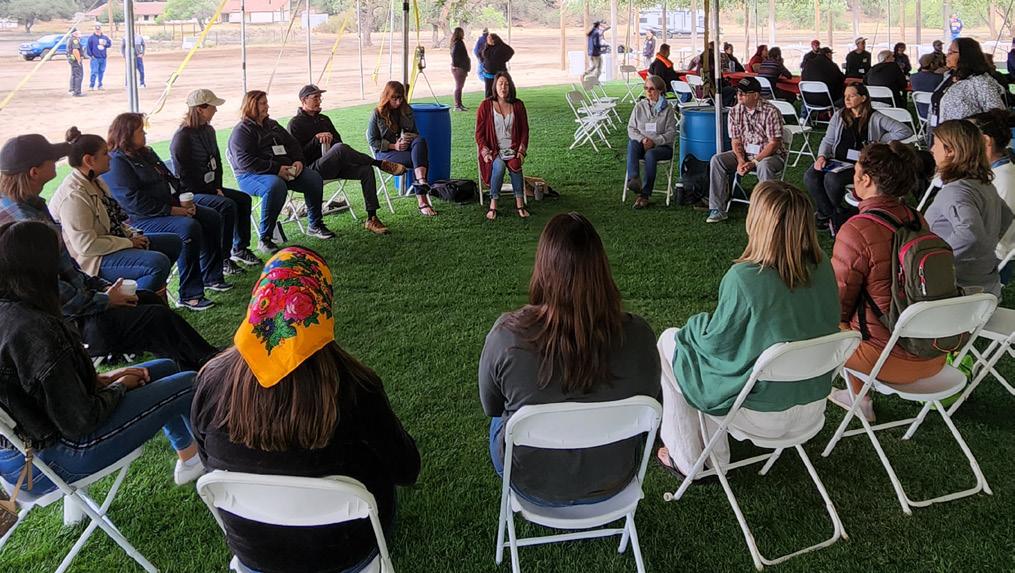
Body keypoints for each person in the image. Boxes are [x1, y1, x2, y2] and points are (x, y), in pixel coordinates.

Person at [194, 247, 420, 573]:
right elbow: (406, 470)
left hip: (256, 557)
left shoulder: (211, 380)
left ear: (258, 300)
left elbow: (207, 462)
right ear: (322, 307)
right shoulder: (356, 386)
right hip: (346, 554)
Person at [0, 220, 206, 494]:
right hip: (49, 462)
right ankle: (220, 465)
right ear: (40, 268)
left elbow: (42, 392)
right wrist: (119, 386)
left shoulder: (11, 311)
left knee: (166, 367)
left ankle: (191, 458)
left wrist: (101, 380)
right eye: (57, 257)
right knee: (188, 383)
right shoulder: (35, 329)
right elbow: (81, 420)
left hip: (19, 461)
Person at [656, 181, 838, 477]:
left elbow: (716, 347)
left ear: (758, 222)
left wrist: (695, 324)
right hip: (813, 404)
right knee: (706, 361)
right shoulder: (824, 268)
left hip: (762, 414)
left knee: (670, 343)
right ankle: (711, 455)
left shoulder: (745, 278)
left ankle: (689, 458)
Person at [479, 212, 660, 505]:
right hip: (614, 480)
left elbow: (492, 406)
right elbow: (652, 404)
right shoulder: (640, 335)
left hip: (531, 483)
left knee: (503, 419)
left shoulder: (507, 336)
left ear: (543, 268)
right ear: (601, 269)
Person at [0, 133, 219, 370]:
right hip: (71, 326)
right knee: (155, 315)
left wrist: (102, 288)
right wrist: (104, 300)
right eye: (51, 159)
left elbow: (67, 270)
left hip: (81, 304)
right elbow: (55, 292)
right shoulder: (25, 226)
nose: (57, 162)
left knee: (148, 299)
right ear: (34, 172)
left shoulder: (30, 207)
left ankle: (192, 364)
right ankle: (210, 363)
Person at [829, 142, 949, 422]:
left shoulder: (856, 229)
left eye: (856, 172)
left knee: (825, 320)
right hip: (934, 353)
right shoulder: (917, 219)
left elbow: (837, 302)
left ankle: (860, 399)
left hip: (886, 360)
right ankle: (859, 396)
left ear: (866, 180)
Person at [104, 112, 232, 311]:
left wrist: (184, 202)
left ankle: (212, 276)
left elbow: (170, 178)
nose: (145, 134)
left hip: (169, 207)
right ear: (126, 134)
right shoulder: (117, 162)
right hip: (141, 219)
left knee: (211, 216)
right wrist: (172, 210)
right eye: (140, 131)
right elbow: (133, 201)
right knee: (188, 227)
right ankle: (190, 294)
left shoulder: (146, 153)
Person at [51, 127, 181, 296]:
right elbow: (87, 246)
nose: (110, 157)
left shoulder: (95, 180)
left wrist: (132, 235)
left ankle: (146, 293)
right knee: (157, 263)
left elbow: (114, 220)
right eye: (105, 153)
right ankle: (131, 303)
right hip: (93, 260)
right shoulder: (74, 196)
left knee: (173, 243)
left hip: (113, 243)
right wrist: (129, 243)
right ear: (89, 160)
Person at [288, 84, 407, 235]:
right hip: (312, 170)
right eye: (315, 97)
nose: (319, 101)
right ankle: (379, 163)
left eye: (320, 97)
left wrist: (329, 140)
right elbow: (297, 156)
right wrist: (315, 141)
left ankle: (372, 218)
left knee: (365, 170)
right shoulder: (295, 124)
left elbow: (339, 142)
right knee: (340, 148)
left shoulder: (324, 119)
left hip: (334, 165)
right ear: (304, 100)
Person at [228, 90, 336, 253]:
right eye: (263, 103)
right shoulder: (242, 131)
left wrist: (298, 160)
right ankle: (265, 238)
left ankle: (315, 224)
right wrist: (276, 169)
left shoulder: (272, 124)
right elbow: (245, 161)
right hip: (252, 175)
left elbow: (293, 144)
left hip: (284, 170)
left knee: (313, 178)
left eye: (266, 102)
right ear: (252, 106)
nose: (267, 106)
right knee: (276, 186)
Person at [171, 89, 260, 277]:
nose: (216, 110)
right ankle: (223, 258)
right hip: (193, 193)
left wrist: (217, 187)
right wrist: (211, 190)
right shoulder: (182, 137)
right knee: (227, 206)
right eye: (212, 107)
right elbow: (184, 176)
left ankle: (240, 248)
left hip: (211, 187)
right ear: (200, 109)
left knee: (243, 199)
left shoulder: (208, 130)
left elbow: (217, 162)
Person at [805, 84, 912, 231]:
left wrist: (881, 139)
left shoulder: (875, 117)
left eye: (852, 95)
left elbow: (905, 130)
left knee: (832, 179)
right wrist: (821, 156)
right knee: (811, 176)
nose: (847, 99)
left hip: (859, 165)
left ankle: (830, 215)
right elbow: (828, 139)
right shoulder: (839, 115)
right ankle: (830, 214)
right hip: (836, 159)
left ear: (863, 98)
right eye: (845, 96)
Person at [925, 119, 1013, 297]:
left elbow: (969, 233)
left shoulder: (956, 191)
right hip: (984, 285)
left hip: (954, 290)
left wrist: (933, 260)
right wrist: (985, 249)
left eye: (936, 145)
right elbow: (1006, 217)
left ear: (950, 151)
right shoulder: (984, 185)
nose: (932, 150)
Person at [705, 77, 785, 223]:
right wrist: (741, 160)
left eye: (744, 93)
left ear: (756, 95)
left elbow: (774, 144)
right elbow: (735, 140)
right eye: (738, 92)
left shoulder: (771, 111)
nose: (739, 95)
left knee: (764, 165)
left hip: (771, 155)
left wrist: (754, 162)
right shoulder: (735, 111)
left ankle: (766, 211)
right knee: (717, 160)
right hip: (746, 153)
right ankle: (717, 209)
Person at [367, 81, 439, 217]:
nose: (398, 102)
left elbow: (415, 133)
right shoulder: (377, 113)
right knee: (419, 160)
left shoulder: (407, 110)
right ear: (387, 97)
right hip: (385, 152)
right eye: (394, 98)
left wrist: (408, 138)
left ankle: (421, 181)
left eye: (400, 98)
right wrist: (394, 146)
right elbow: (372, 141)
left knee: (420, 141)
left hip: (406, 147)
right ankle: (422, 200)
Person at [969, 110, 1015, 283]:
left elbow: (996, 236)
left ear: (986, 141)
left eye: (966, 139)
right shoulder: (990, 173)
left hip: (993, 259)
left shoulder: (1004, 180)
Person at [476, 72, 530, 220]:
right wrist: (485, 152)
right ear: (495, 86)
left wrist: (521, 151)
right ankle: (493, 204)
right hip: (494, 151)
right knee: (499, 167)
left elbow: (525, 130)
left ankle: (520, 204)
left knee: (515, 164)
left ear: (510, 86)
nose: (503, 87)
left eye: (506, 84)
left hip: (513, 149)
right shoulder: (485, 106)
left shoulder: (518, 105)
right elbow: (479, 134)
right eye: (500, 84)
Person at [626, 75, 676, 209]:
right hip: (642, 143)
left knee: (651, 154)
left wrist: (654, 142)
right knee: (632, 143)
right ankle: (634, 179)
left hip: (662, 147)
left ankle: (644, 195)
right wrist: (643, 140)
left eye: (652, 89)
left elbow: (671, 133)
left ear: (660, 90)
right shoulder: (639, 106)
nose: (648, 91)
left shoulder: (668, 109)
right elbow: (631, 129)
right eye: (646, 88)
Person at [930, 38, 1007, 127]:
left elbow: (997, 114)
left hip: (964, 134)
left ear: (965, 55)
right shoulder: (949, 76)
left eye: (951, 52)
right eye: (948, 52)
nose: (947, 55)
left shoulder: (981, 82)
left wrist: (970, 125)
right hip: (941, 132)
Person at [481, 34, 514, 98]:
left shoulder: (501, 46)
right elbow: (482, 55)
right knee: (488, 91)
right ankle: (488, 103)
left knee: (500, 90)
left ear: (494, 39)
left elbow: (511, 51)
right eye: (487, 38)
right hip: (488, 74)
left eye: (490, 38)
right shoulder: (487, 46)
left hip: (499, 73)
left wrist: (504, 59)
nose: (488, 40)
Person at [450, 27, 470, 111]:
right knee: (459, 87)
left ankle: (459, 104)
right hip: (459, 68)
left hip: (460, 67)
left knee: (460, 86)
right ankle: (457, 105)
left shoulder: (455, 42)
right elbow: (454, 55)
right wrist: (456, 65)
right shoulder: (458, 43)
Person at [86, 24, 111, 90]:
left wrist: (105, 44)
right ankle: (91, 85)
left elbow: (109, 44)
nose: (97, 31)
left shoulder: (105, 37)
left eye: (99, 29)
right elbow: (88, 48)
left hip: (103, 57)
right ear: (94, 30)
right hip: (95, 58)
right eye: (96, 29)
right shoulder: (91, 38)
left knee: (101, 71)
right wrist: (91, 55)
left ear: (101, 29)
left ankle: (100, 85)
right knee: (94, 72)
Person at [67, 29, 84, 98]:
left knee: (74, 75)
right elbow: (75, 50)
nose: (79, 34)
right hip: (76, 61)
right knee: (78, 76)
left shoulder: (70, 39)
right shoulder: (74, 40)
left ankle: (72, 90)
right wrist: (79, 60)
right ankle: (77, 92)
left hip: (73, 60)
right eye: (78, 33)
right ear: (74, 33)